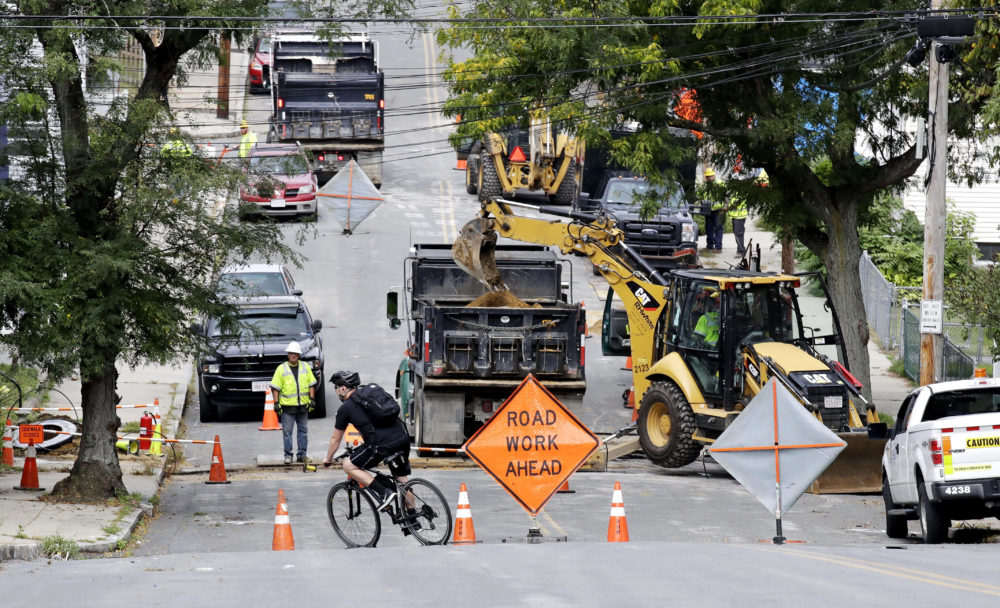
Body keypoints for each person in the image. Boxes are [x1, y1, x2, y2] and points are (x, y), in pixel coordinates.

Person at [323, 371, 411, 511]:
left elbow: (336, 438)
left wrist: (328, 458)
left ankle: (384, 492)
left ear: (343, 388)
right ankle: (413, 517)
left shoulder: (345, 408)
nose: (336, 392)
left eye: (336, 388)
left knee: (348, 465)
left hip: (381, 445)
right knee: (402, 478)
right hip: (402, 438)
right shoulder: (371, 393)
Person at [270, 341, 317, 464]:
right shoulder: (281, 369)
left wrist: (312, 400)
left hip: (303, 405)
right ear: (288, 355)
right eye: (291, 353)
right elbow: (275, 387)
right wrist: (276, 403)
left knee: (303, 430)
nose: (293, 355)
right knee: (287, 432)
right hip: (287, 406)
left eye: (295, 353)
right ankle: (288, 455)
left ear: (299, 355)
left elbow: (311, 384)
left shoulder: (305, 367)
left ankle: (302, 455)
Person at [697, 168, 726, 251]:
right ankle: (710, 246)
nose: (709, 178)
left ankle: (718, 247)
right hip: (708, 210)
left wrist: (725, 206)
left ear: (714, 175)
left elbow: (726, 195)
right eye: (708, 176)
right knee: (709, 228)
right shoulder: (705, 185)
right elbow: (699, 195)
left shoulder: (720, 183)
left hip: (718, 209)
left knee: (718, 228)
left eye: (711, 176)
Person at [729, 192, 748, 256]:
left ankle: (741, 251)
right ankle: (740, 249)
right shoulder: (735, 191)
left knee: (738, 234)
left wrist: (727, 205)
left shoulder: (740, 191)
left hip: (739, 216)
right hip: (737, 216)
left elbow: (735, 203)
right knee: (737, 233)